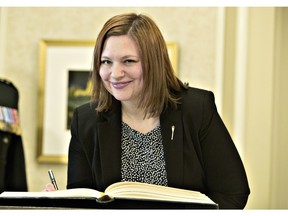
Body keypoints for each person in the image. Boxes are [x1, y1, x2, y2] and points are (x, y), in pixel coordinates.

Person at [45, 13, 250, 209]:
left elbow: (233, 194)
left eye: (129, 61)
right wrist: (60, 203)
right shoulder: (85, 120)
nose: (115, 74)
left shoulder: (197, 109)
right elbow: (84, 200)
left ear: (154, 62)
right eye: (106, 62)